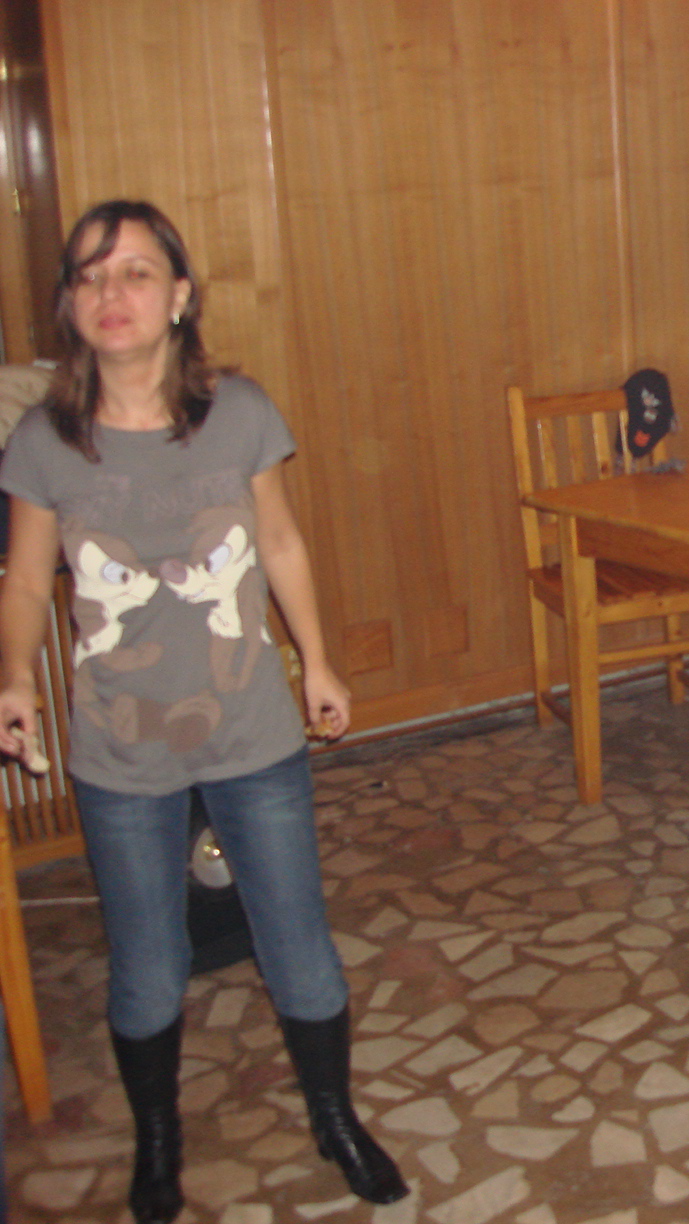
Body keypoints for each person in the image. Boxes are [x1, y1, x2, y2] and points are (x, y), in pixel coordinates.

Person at [0, 201, 406, 1222]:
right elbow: (27, 578)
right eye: (90, 276)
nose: (111, 293)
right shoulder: (45, 440)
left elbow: (281, 542)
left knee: (297, 942)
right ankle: (159, 1143)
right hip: (118, 748)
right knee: (148, 966)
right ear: (69, 306)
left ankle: (335, 1118)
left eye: (135, 272)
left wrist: (318, 662)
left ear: (180, 297)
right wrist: (13, 679)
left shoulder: (240, 412)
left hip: (252, 732)